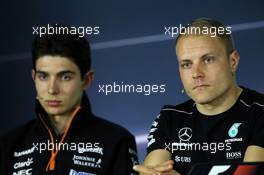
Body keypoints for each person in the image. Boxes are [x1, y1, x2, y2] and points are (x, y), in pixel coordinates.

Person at [133, 18, 264, 175]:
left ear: (233, 61)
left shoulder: (260, 112)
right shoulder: (170, 118)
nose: (196, 74)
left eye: (208, 60)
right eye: (187, 64)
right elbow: (153, 173)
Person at [0, 27, 138, 175]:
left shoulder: (117, 141)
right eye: (43, 76)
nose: (52, 89)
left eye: (65, 77)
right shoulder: (8, 144)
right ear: (34, 77)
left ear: (86, 80)